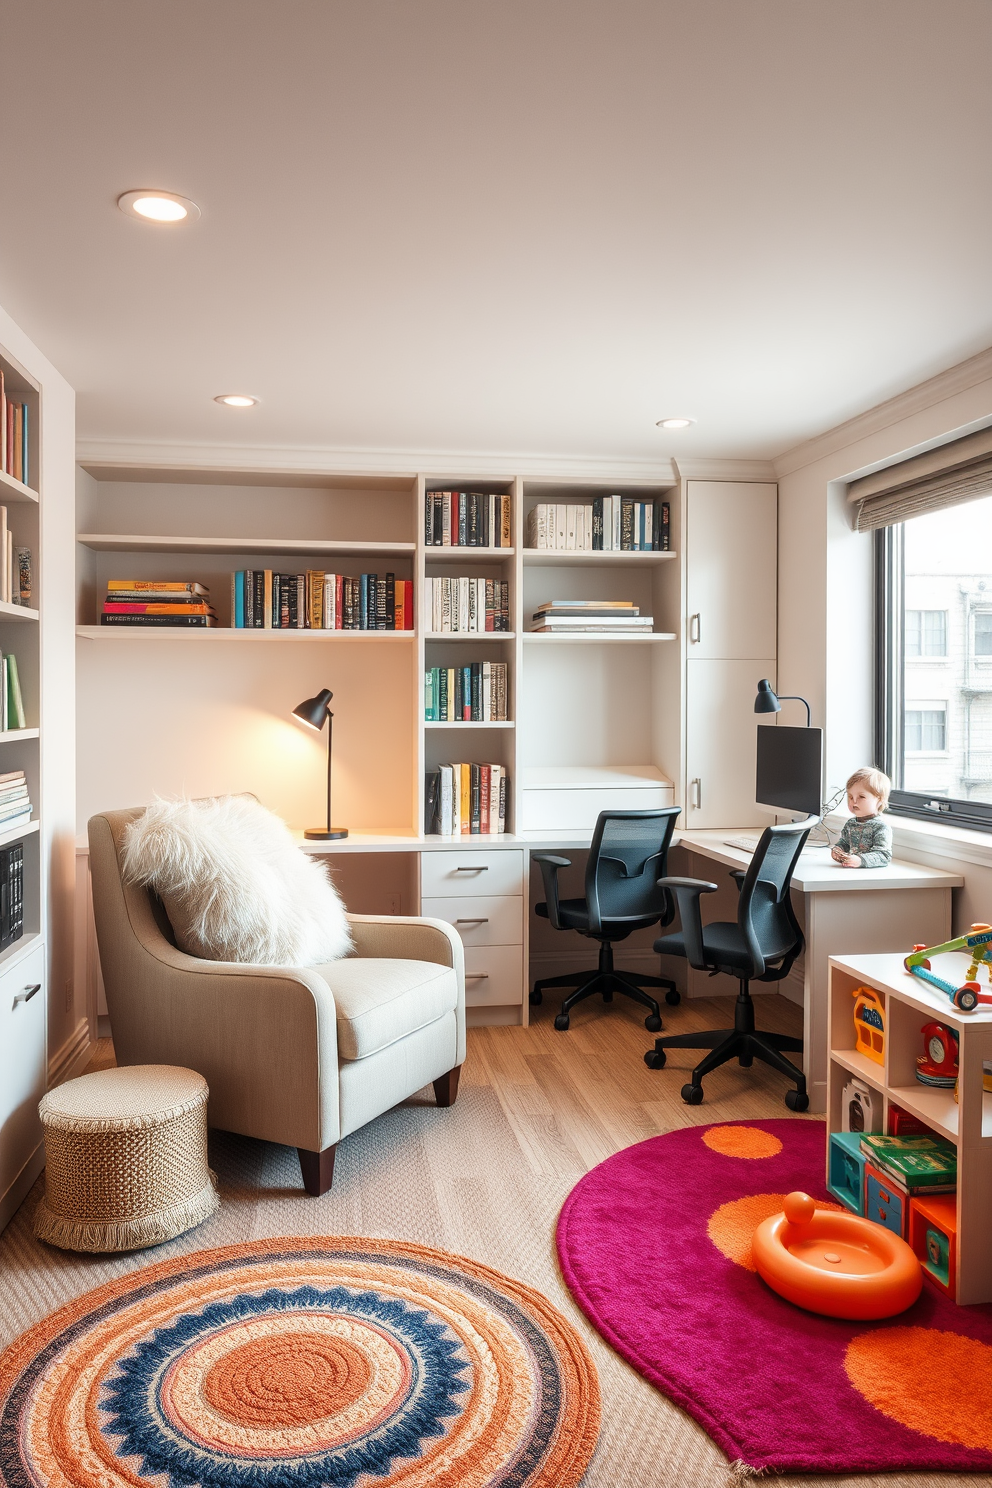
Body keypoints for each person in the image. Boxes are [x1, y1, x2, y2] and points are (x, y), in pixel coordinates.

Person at [831, 767, 892, 868]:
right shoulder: (850, 824)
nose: (854, 801)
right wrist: (839, 849)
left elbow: (884, 856)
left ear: (879, 800)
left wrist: (860, 861)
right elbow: (845, 842)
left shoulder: (881, 827)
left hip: (869, 876)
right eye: (850, 797)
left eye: (861, 797)